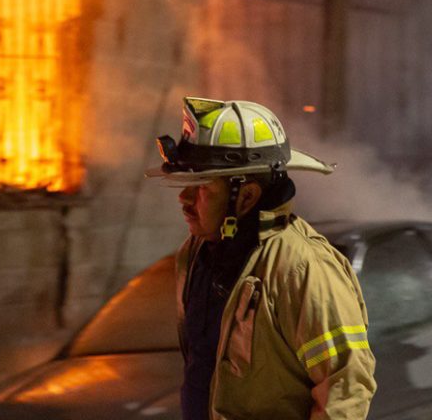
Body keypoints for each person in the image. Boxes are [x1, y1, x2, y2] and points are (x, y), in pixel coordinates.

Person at [147, 96, 376, 420]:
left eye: (200, 187)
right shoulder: (194, 254)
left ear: (247, 195)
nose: (183, 199)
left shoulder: (302, 270)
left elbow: (346, 388)